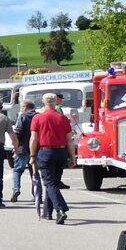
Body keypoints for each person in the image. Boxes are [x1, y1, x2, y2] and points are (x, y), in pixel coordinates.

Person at [31, 92, 75, 224]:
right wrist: (73, 157)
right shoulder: (63, 119)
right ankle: (47, 212)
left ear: (43, 102)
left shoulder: (38, 118)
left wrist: (32, 155)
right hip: (61, 152)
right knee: (53, 184)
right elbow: (70, 140)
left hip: (46, 152)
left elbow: (34, 139)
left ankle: (60, 210)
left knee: (49, 184)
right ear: (56, 102)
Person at [9, 100, 36, 202]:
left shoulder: (23, 116)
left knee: (17, 170)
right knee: (34, 172)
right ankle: (36, 194)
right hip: (35, 148)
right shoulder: (38, 116)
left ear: (25, 107)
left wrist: (15, 146)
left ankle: (16, 189)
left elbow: (17, 133)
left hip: (22, 148)